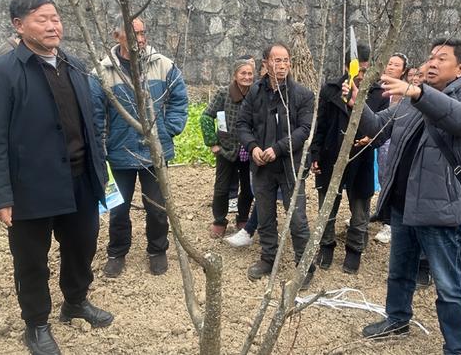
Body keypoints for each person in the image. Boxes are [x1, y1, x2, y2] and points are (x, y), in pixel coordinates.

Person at [0, 0, 113, 355]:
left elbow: (91, 123)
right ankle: (36, 323)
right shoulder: (0, 72)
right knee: (31, 259)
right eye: (42, 19)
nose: (53, 26)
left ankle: (76, 302)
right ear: (19, 26)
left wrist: (100, 171)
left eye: (56, 18)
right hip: (30, 187)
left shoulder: (75, 65)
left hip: (81, 180)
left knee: (82, 247)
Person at [358, 39, 461, 355]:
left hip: (441, 210)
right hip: (404, 205)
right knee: (400, 270)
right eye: (430, 57)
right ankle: (397, 318)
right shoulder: (408, 99)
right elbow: (378, 128)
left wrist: (418, 93)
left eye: (441, 58)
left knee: (448, 285)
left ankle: (456, 348)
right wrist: (357, 101)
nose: (432, 63)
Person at [90, 17, 188, 278]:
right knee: (117, 208)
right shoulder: (103, 72)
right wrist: (101, 147)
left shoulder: (163, 65)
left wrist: (169, 129)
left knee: (157, 206)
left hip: (155, 152)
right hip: (118, 154)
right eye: (134, 35)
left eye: (143, 33)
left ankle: (157, 250)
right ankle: (117, 253)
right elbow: (95, 114)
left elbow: (179, 98)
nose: (141, 40)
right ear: (117, 36)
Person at [236, 43, 315, 288]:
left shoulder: (302, 94)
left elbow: (304, 130)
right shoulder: (255, 92)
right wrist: (253, 148)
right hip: (262, 167)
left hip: (290, 164)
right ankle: (268, 258)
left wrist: (278, 148)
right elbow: (242, 124)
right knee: (266, 216)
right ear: (266, 64)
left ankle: (304, 266)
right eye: (277, 60)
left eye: (286, 60)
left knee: (298, 219)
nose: (282, 65)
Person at [311, 43, 388, 274]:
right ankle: (326, 245)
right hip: (330, 156)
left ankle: (354, 249)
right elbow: (321, 124)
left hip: (361, 159)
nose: (363, 75)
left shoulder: (377, 93)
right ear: (348, 67)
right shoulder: (331, 89)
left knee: (360, 207)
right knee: (327, 205)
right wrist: (314, 154)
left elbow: (382, 129)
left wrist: (370, 138)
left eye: (367, 70)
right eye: (359, 70)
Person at [200, 57, 255, 238]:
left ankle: (243, 218)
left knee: (247, 188)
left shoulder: (255, 94)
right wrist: (212, 142)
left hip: (248, 150)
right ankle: (219, 220)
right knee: (222, 187)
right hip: (226, 149)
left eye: (250, 74)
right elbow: (206, 117)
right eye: (243, 73)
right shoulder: (223, 94)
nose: (247, 77)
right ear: (235, 75)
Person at [373, 53, 410, 245]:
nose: (390, 67)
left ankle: (390, 222)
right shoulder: (377, 88)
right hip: (378, 137)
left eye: (396, 65)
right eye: (389, 63)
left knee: (391, 178)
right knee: (381, 176)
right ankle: (381, 211)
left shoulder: (407, 92)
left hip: (395, 139)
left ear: (403, 70)